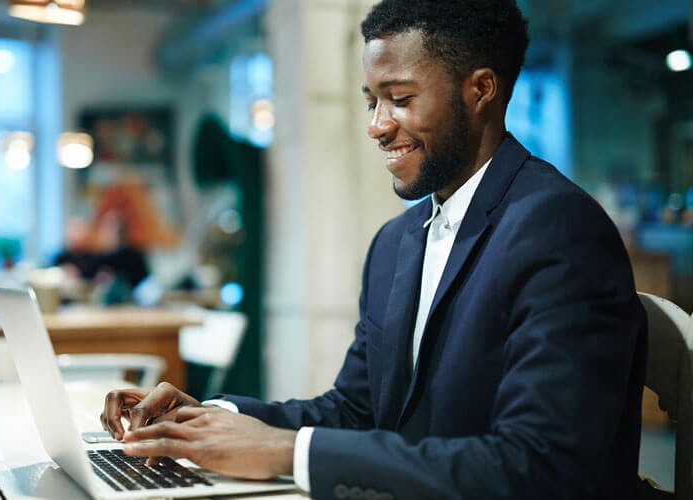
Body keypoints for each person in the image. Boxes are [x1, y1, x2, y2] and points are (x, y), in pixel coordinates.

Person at [101, 1, 647, 498]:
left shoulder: (561, 229)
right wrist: (209, 417)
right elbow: (357, 408)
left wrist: (287, 452)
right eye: (372, 101)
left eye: (401, 99)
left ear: (480, 90)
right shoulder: (396, 242)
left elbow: (540, 465)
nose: (377, 126)